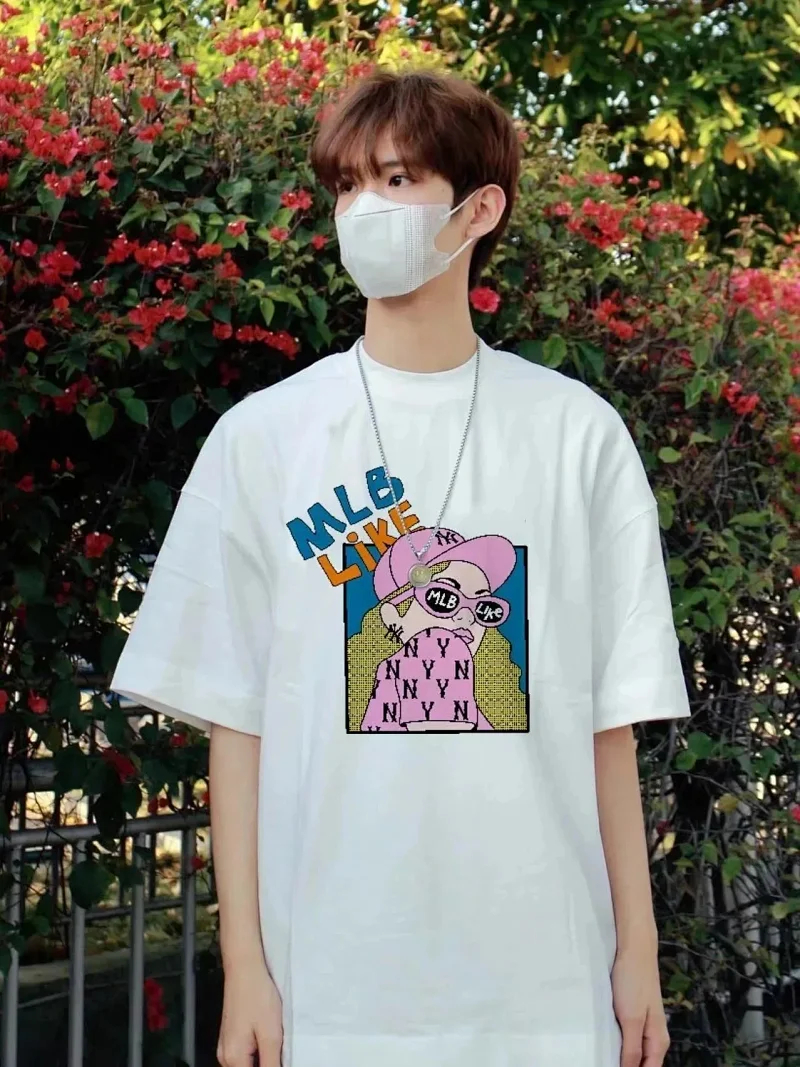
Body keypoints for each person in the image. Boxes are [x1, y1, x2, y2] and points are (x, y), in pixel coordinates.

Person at [110, 68, 691, 1067]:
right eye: (346, 185)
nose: (362, 209)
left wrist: (634, 952)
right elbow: (236, 726)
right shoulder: (265, 439)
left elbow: (608, 724)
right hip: (333, 984)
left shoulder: (576, 436)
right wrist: (245, 966)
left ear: (479, 209)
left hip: (543, 983)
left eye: (395, 179)